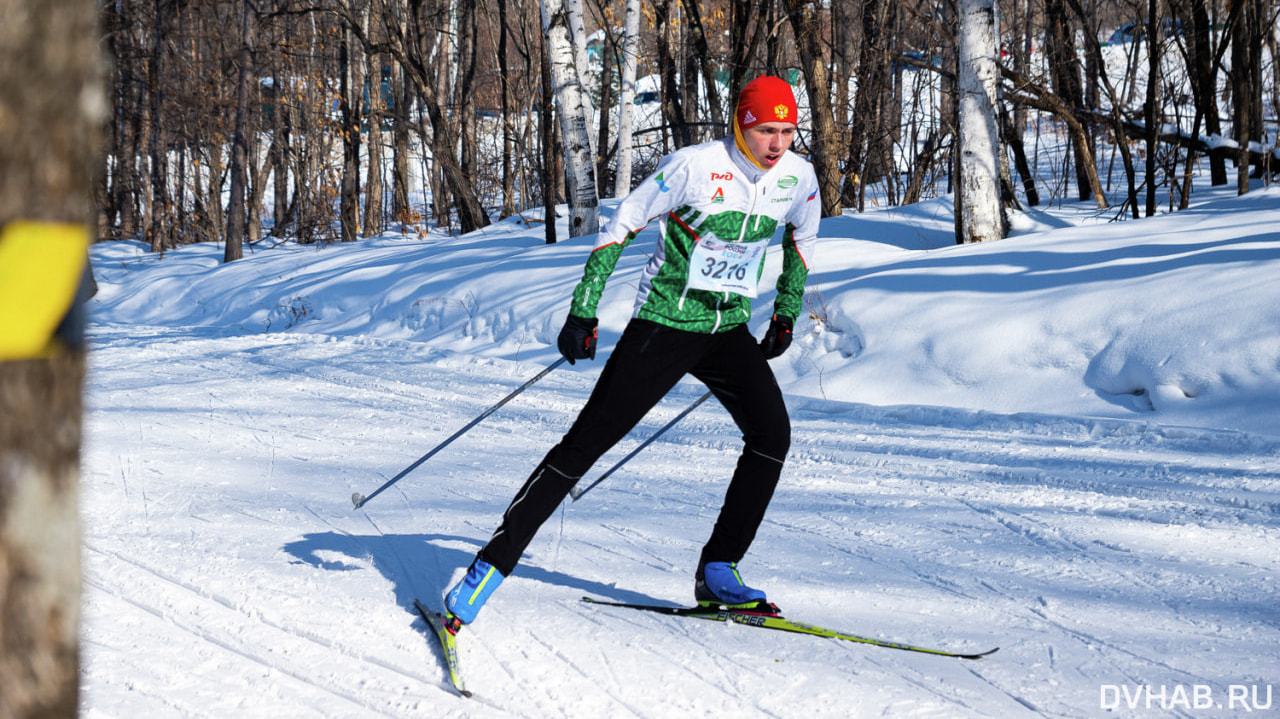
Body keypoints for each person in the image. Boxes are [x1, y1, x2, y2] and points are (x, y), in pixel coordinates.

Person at [441, 75, 821, 632]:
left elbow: (800, 242)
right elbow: (622, 223)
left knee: (772, 435)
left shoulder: (797, 177)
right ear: (742, 125)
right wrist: (583, 308)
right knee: (585, 445)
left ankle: (719, 571)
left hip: (726, 329)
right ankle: (487, 569)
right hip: (664, 327)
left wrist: (786, 312)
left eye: (787, 131)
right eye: (767, 130)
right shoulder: (694, 166)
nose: (778, 143)